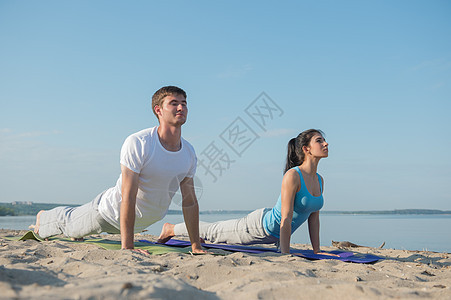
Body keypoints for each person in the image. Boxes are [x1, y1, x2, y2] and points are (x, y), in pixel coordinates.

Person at [31, 86, 206, 254]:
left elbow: (189, 201)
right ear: (158, 110)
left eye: (184, 103)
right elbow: (127, 195)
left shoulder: (188, 152)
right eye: (174, 103)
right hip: (109, 213)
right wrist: (128, 247)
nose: (181, 107)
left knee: (74, 228)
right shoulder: (140, 143)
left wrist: (195, 245)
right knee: (70, 226)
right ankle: (44, 216)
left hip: (139, 222)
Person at [158, 129, 335, 255]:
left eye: (324, 140)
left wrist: (317, 250)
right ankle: (171, 228)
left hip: (273, 231)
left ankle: (178, 229)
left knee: (214, 234)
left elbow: (314, 218)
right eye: (319, 140)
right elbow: (286, 217)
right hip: (259, 227)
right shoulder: (293, 176)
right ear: (306, 149)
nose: (325, 143)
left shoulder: (320, 180)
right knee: (214, 232)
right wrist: (285, 253)